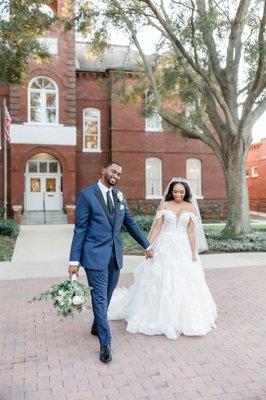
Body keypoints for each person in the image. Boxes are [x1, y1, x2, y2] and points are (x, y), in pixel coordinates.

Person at [108, 177, 217, 340]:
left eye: (181, 191)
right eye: (175, 191)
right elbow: (157, 227)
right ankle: (156, 316)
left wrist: (193, 252)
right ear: (171, 192)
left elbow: (191, 232)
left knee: (184, 280)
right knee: (160, 277)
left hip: (183, 248)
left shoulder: (191, 207)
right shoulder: (165, 205)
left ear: (186, 192)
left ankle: (184, 318)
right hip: (164, 246)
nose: (178, 194)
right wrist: (148, 245)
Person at [68, 162, 153, 363]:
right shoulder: (87, 195)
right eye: (113, 171)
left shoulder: (119, 196)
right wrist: (74, 261)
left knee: (107, 295)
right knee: (99, 298)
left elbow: (130, 222)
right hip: (94, 256)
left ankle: (97, 325)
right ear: (104, 171)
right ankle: (105, 343)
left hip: (115, 255)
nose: (116, 175)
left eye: (120, 173)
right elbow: (80, 229)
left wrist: (146, 246)